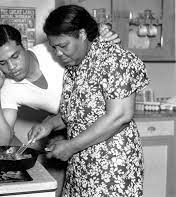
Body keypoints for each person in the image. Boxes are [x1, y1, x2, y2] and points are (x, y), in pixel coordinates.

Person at [0, 23, 120, 197]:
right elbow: (2, 141)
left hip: (108, 131)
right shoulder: (8, 85)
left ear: (23, 45)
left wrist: (102, 34)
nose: (11, 67)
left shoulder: (54, 50)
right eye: (2, 63)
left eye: (15, 56)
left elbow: (88, 43)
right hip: (70, 138)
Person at [28, 5, 150, 197]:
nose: (58, 53)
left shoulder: (115, 59)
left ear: (83, 34)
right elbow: (76, 112)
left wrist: (71, 146)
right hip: (80, 168)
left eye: (63, 45)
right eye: (54, 47)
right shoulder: (73, 67)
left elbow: (120, 115)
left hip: (111, 170)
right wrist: (49, 124)